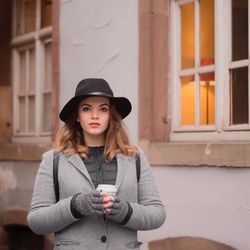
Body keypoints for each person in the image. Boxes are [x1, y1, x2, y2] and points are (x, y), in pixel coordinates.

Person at [27, 78, 166, 250]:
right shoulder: (53, 160)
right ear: (77, 116)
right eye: (86, 109)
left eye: (103, 109)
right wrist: (75, 206)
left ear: (110, 115)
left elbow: (157, 214)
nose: (95, 115)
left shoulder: (135, 157)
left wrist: (126, 211)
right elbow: (36, 221)